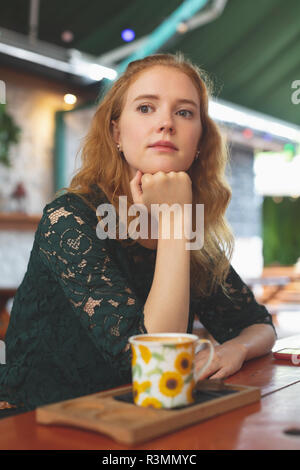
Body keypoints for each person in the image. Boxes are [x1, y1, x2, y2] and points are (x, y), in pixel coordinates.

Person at [0, 53, 276, 415]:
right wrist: (176, 219)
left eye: (185, 112)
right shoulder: (70, 218)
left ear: (198, 143)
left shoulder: (193, 232)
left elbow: (257, 324)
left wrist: (234, 349)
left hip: (137, 419)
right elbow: (151, 359)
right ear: (116, 132)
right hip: (36, 423)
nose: (166, 123)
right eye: (146, 108)